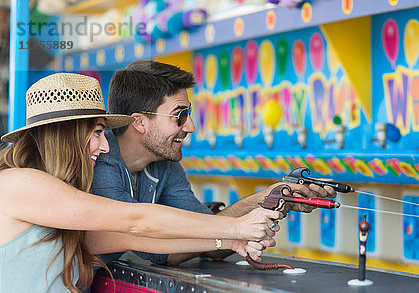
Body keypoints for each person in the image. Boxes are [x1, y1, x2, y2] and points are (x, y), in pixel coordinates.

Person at [0, 72, 281, 293]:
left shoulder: (63, 200)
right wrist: (234, 226)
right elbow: (133, 220)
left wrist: (230, 241)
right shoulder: (17, 183)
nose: (105, 146)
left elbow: (134, 238)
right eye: (97, 133)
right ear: (66, 134)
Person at [93, 59, 336, 266]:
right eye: (180, 116)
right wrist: (239, 229)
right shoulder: (101, 162)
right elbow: (150, 242)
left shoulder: (164, 162)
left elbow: (209, 237)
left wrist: (270, 199)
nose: (191, 127)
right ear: (139, 122)